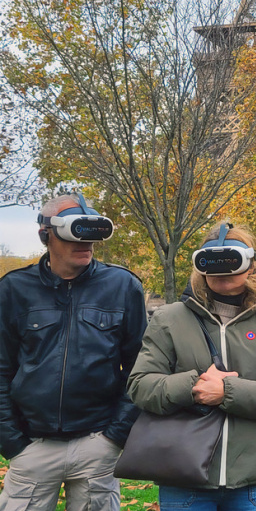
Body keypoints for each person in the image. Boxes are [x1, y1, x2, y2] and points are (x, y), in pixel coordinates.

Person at [128, 223, 256, 510]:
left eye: (231, 262)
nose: (221, 271)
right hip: (183, 476)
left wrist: (226, 391)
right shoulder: (169, 319)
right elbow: (140, 386)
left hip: (250, 479)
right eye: (212, 262)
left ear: (251, 265)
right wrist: (194, 386)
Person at [0, 192, 147, 511]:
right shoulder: (13, 289)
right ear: (46, 235)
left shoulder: (122, 287)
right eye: (74, 234)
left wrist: (114, 437)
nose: (86, 244)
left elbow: (141, 368)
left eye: (92, 236)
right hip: (32, 447)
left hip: (98, 446)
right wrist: (12, 441)